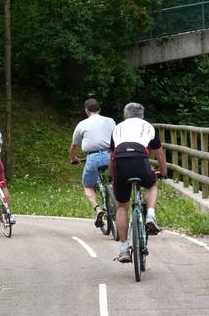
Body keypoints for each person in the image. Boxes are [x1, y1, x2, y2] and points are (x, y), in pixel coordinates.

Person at [109, 102, 167, 262]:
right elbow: (160, 155)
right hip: (140, 160)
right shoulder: (148, 127)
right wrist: (163, 172)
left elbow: (112, 156)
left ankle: (123, 249)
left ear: (125, 115)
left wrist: (111, 175)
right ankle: (150, 215)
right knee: (152, 184)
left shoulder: (117, 128)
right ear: (143, 115)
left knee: (122, 206)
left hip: (120, 162)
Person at [69, 98, 116, 227]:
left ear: (86, 111)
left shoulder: (82, 124)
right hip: (110, 155)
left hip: (93, 157)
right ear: (99, 110)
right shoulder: (110, 121)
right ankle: (115, 195)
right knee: (115, 178)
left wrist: (73, 159)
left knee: (88, 186)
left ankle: (97, 208)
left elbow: (74, 146)